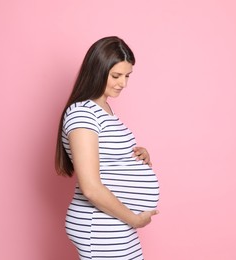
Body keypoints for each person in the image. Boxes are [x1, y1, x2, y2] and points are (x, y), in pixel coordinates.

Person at [55, 36, 160, 260]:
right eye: (116, 76)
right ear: (97, 70)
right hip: (99, 223)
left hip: (113, 222)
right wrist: (135, 219)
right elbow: (91, 187)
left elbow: (107, 157)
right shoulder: (82, 113)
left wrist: (137, 155)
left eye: (127, 76)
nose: (123, 83)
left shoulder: (103, 109)